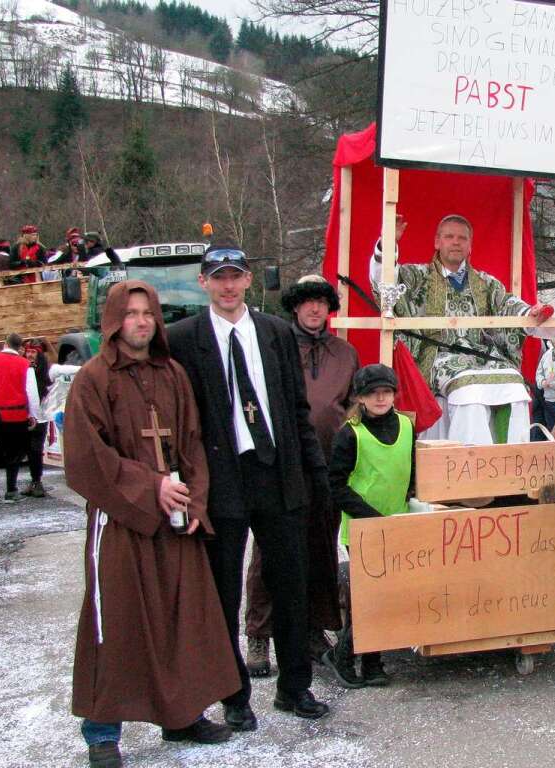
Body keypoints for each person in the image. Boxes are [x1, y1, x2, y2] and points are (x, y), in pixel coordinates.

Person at [63, 280, 240, 768]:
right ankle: (102, 731)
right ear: (114, 321)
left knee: (181, 617)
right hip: (121, 520)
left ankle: (181, 716)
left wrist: (194, 503)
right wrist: (150, 488)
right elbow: (85, 456)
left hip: (175, 519)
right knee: (116, 622)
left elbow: (192, 443)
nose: (141, 322)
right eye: (131, 313)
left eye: (148, 313)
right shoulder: (94, 379)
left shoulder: (173, 373)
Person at [168, 242, 334, 730]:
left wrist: (314, 472)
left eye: (235, 275)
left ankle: (294, 686)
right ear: (204, 282)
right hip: (223, 480)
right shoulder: (183, 338)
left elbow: (296, 407)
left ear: (247, 281)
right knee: (223, 592)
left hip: (278, 473)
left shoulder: (276, 333)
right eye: (217, 276)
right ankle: (233, 694)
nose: (227, 284)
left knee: (290, 583)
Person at [244, 275, 353, 676]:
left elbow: (353, 407)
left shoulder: (345, 354)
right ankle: (259, 633)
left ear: (329, 308)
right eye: (307, 302)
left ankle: (312, 627)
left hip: (328, 465)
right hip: (283, 464)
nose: (314, 309)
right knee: (270, 551)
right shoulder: (272, 347)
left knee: (321, 546)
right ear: (295, 306)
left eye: (321, 302)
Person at [371, 214, 552, 445]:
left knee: (515, 387)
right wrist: (387, 244)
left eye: (462, 238)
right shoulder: (417, 276)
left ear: (470, 245)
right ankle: (470, 467)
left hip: (481, 355)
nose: (456, 242)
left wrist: (530, 314)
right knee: (470, 392)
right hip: (438, 356)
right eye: (449, 236)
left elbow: (507, 304)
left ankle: (513, 460)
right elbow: (384, 282)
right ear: (437, 242)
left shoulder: (486, 283)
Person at [324, 364, 416, 688]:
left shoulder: (406, 426)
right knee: (368, 597)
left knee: (387, 595)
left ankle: (374, 663)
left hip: (397, 523)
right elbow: (335, 484)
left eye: (386, 392)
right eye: (373, 393)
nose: (380, 398)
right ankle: (343, 656)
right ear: (361, 398)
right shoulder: (351, 433)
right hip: (363, 527)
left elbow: (411, 473)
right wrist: (368, 515)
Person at [0, 333, 41, 503]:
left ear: (6, 344)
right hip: (17, 414)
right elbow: (31, 392)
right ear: (19, 347)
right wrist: (33, 414)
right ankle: (11, 490)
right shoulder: (25, 364)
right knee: (14, 452)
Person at [21, 339, 52, 498]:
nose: (30, 355)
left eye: (33, 352)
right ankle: (33, 481)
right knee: (27, 448)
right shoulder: (23, 368)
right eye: (28, 352)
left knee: (35, 449)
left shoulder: (44, 370)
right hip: (25, 415)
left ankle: (37, 482)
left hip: (39, 415)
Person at [531, 339, 555, 439]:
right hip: (548, 402)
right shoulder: (546, 355)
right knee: (551, 432)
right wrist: (542, 382)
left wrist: (552, 384)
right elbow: (539, 374)